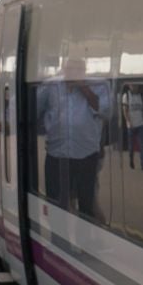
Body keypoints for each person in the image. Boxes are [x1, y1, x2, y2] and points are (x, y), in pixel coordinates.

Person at [37, 59, 110, 216]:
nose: (73, 73)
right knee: (56, 205)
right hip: (56, 156)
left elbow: (105, 111)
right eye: (70, 69)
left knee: (87, 206)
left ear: (84, 70)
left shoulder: (99, 85)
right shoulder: (51, 86)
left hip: (86, 156)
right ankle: (56, 238)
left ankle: (85, 237)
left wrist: (83, 87)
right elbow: (34, 108)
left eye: (78, 69)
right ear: (63, 70)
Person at [124, 84, 143, 169]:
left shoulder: (141, 96)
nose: (134, 87)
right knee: (131, 146)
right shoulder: (126, 96)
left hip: (141, 125)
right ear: (129, 86)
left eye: (136, 86)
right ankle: (131, 159)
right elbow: (125, 111)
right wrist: (129, 122)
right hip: (131, 126)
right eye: (132, 86)